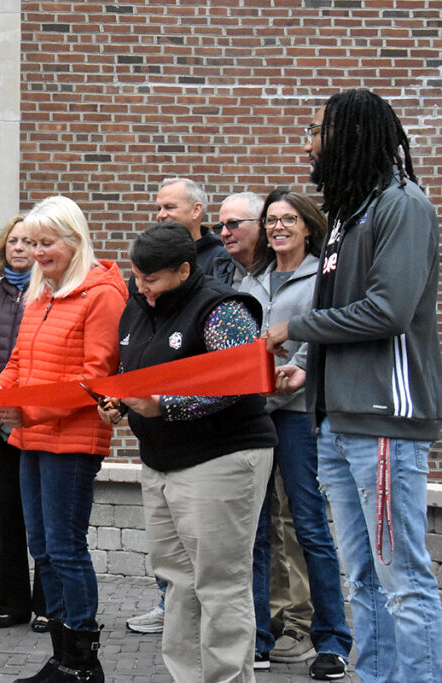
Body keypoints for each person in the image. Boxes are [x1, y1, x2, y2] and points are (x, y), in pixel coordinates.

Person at [266, 89, 442, 683]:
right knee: (362, 577)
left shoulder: (403, 205)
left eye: (317, 131)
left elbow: (388, 311)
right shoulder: (347, 214)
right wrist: (308, 365)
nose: (308, 143)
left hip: (384, 417)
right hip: (336, 419)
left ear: (351, 136)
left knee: (403, 580)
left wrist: (293, 327)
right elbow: (343, 312)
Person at [100, 223, 276, 682]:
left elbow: (242, 381)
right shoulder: (137, 307)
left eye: (151, 279)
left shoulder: (222, 310)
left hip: (221, 456)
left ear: (183, 269)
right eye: (137, 277)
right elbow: (130, 367)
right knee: (176, 582)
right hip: (160, 461)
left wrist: (166, 406)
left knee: (219, 584)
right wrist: (119, 402)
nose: (142, 288)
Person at [0, 196, 127, 683]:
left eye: (46, 243)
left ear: (75, 240)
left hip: (72, 439)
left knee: (66, 548)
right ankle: (61, 656)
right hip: (33, 436)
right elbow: (19, 361)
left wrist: (24, 406)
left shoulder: (101, 294)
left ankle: (83, 661)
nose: (35, 251)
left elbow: (95, 377)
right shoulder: (40, 293)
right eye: (29, 242)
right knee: (43, 549)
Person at [240, 188, 351, 678]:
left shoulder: (322, 278)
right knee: (257, 528)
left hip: (298, 414)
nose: (277, 227)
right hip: (254, 413)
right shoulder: (251, 279)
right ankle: (260, 639)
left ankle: (332, 641)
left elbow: (322, 334)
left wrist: (299, 366)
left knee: (308, 525)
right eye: (270, 220)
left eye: (288, 219)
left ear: (308, 227)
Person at [0, 215, 48, 634]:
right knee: (8, 512)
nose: (19, 248)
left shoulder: (50, 293)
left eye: (28, 241)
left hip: (36, 420)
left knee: (40, 514)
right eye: (13, 241)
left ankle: (45, 605)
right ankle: (13, 604)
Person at [155, 177, 229, 277]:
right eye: (159, 209)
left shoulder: (222, 260)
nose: (161, 215)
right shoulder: (151, 256)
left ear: (196, 210)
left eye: (170, 207)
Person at [212, 191, 264, 286]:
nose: (224, 233)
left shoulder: (283, 270)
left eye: (232, 223)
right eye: (220, 227)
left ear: (259, 224)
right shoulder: (217, 274)